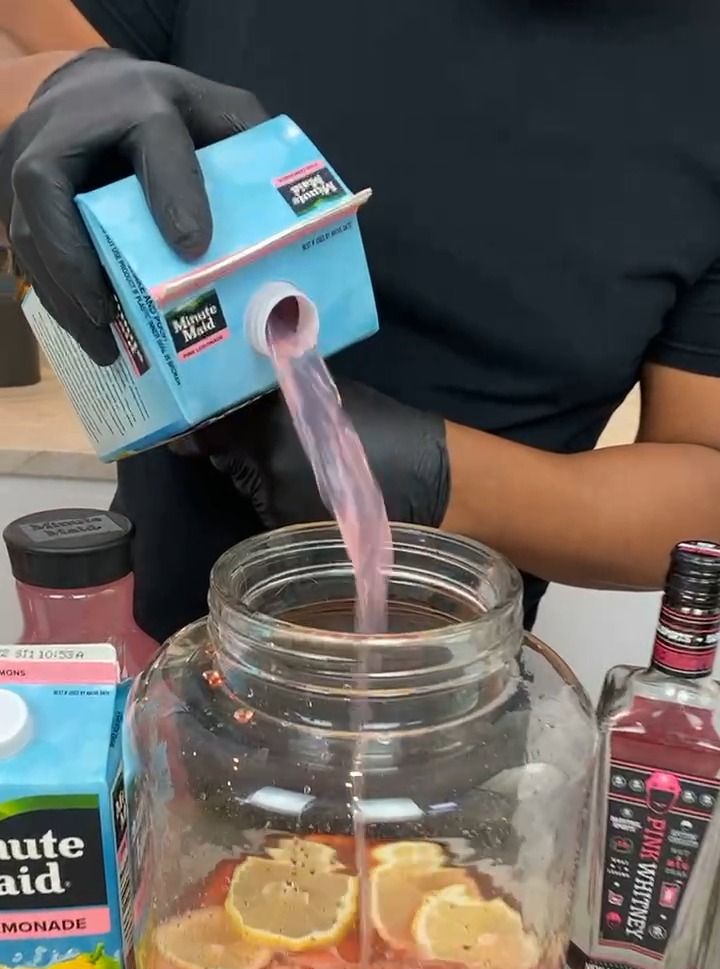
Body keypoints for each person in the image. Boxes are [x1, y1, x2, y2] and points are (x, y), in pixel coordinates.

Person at [3, 1, 720, 642]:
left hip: (451, 698)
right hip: (161, 647)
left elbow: (703, 482)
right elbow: (27, 61)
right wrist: (58, 93)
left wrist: (442, 479)